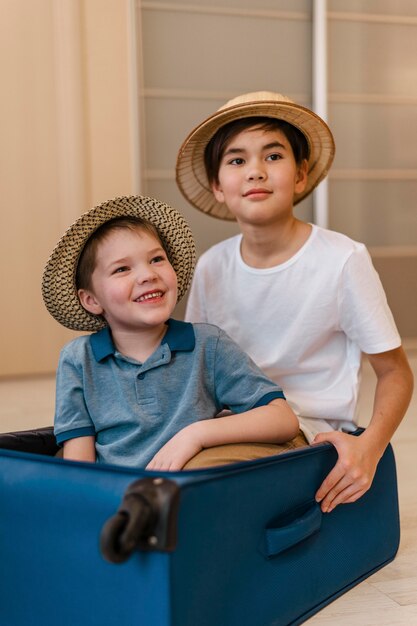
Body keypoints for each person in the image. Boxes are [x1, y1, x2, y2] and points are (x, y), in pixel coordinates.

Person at [176, 91, 414, 511]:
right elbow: (197, 373)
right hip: (231, 425)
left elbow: (395, 372)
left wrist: (370, 450)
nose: (255, 172)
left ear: (301, 175)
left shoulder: (342, 260)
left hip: (307, 433)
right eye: (236, 160)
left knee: (188, 477)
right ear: (217, 185)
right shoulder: (212, 266)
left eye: (272, 156)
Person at [42, 194, 299, 471]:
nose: (147, 275)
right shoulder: (78, 359)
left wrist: (196, 434)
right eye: (122, 268)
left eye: (156, 259)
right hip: (117, 499)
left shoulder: (207, 345)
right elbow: (79, 459)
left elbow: (282, 420)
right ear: (92, 300)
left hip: (188, 494)